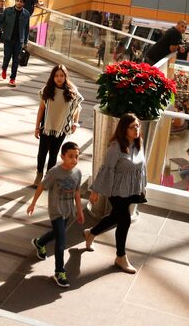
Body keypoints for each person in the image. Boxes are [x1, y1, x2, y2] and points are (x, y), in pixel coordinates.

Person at [84, 113, 146, 274]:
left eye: (137, 126)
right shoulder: (116, 147)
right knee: (124, 220)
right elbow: (106, 169)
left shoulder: (139, 143)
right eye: (132, 127)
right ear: (124, 129)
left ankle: (91, 233)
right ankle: (120, 257)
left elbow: (141, 168)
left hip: (130, 189)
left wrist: (142, 186)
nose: (136, 129)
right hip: (116, 190)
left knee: (114, 217)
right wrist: (96, 190)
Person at [27, 141, 84, 288]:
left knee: (56, 233)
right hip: (55, 211)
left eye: (77, 156)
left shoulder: (78, 173)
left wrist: (79, 211)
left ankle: (39, 242)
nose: (74, 160)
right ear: (62, 156)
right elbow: (42, 186)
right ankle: (59, 272)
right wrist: (32, 203)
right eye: (70, 156)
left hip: (67, 210)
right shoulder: (54, 172)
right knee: (61, 242)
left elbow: (77, 192)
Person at [34, 65, 83, 186]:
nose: (59, 78)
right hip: (46, 127)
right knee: (42, 152)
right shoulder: (47, 90)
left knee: (53, 154)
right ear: (52, 77)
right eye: (56, 76)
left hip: (61, 129)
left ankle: (48, 177)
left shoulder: (72, 92)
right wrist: (36, 127)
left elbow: (77, 108)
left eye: (61, 75)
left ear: (65, 76)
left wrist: (75, 123)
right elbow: (41, 109)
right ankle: (39, 173)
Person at [0, 0, 30, 87]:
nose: (19, 3)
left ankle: (12, 79)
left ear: (23, 3)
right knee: (7, 57)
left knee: (16, 60)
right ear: (15, 1)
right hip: (8, 38)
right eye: (18, 0)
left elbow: (27, 28)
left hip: (19, 41)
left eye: (21, 1)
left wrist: (25, 41)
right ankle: (4, 69)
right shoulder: (8, 11)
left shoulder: (26, 14)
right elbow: (1, 21)